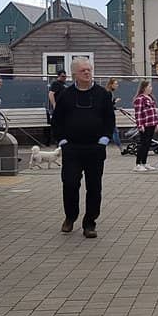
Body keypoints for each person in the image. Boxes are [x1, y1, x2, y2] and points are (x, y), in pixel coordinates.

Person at [50, 58, 116, 239]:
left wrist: (105, 138)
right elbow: (57, 120)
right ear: (74, 75)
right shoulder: (65, 95)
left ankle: (90, 223)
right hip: (72, 148)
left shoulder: (102, 94)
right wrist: (62, 140)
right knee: (70, 183)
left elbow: (109, 119)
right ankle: (70, 216)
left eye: (89, 70)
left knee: (94, 187)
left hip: (95, 148)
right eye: (83, 71)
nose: (87, 73)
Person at [133, 80, 158, 172]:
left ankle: (144, 162)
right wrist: (140, 125)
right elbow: (138, 113)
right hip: (145, 124)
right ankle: (138, 163)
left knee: (148, 143)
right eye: (149, 87)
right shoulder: (140, 99)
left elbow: (154, 112)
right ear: (144, 88)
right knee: (143, 144)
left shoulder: (150, 98)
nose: (151, 88)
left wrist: (157, 123)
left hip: (152, 123)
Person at [105, 78, 123, 150]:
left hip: (107, 115)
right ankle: (121, 148)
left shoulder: (109, 92)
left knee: (111, 132)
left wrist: (116, 107)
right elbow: (108, 105)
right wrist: (115, 102)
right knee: (114, 132)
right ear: (111, 84)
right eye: (115, 84)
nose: (117, 85)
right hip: (109, 116)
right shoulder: (109, 93)